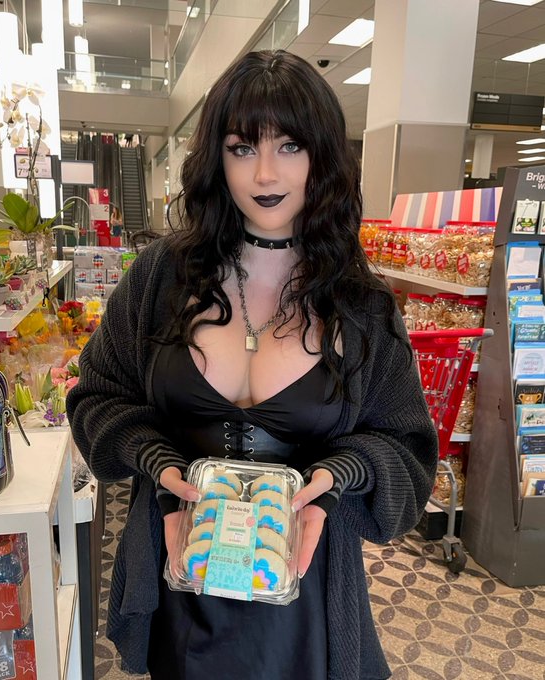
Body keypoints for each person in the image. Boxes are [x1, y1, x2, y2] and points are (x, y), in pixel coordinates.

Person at [67, 50, 438, 680]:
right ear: (217, 158)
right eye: (242, 148)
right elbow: (96, 396)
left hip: (304, 597)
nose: (265, 172)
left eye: (289, 146)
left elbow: (408, 450)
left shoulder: (361, 306)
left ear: (322, 156)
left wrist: (339, 477)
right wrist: (157, 462)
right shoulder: (159, 277)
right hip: (182, 581)